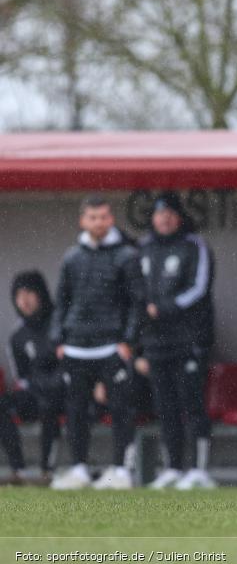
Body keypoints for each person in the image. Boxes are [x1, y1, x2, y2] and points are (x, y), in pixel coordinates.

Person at [49, 196, 145, 490]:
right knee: (76, 411)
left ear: (111, 219)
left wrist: (128, 341)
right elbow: (61, 301)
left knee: (120, 409)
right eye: (92, 217)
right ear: (83, 221)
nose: (98, 222)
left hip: (111, 346)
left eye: (103, 217)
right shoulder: (72, 257)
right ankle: (78, 469)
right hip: (76, 346)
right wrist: (59, 339)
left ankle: (121, 470)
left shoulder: (126, 256)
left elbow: (137, 302)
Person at [139, 192, 215, 490]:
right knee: (165, 407)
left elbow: (199, 288)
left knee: (192, 404)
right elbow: (134, 290)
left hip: (189, 339)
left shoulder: (194, 246)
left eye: (170, 213)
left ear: (179, 217)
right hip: (157, 343)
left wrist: (165, 308)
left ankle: (199, 470)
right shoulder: (143, 248)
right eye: (159, 214)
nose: (164, 218)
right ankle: (173, 467)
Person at [1, 271, 64, 484]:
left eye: (29, 293)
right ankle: (19, 470)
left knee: (49, 404)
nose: (24, 300)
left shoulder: (59, 324)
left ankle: (47, 470)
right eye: (19, 296)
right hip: (36, 393)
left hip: (63, 394)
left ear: (41, 294)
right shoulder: (17, 337)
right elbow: (22, 378)